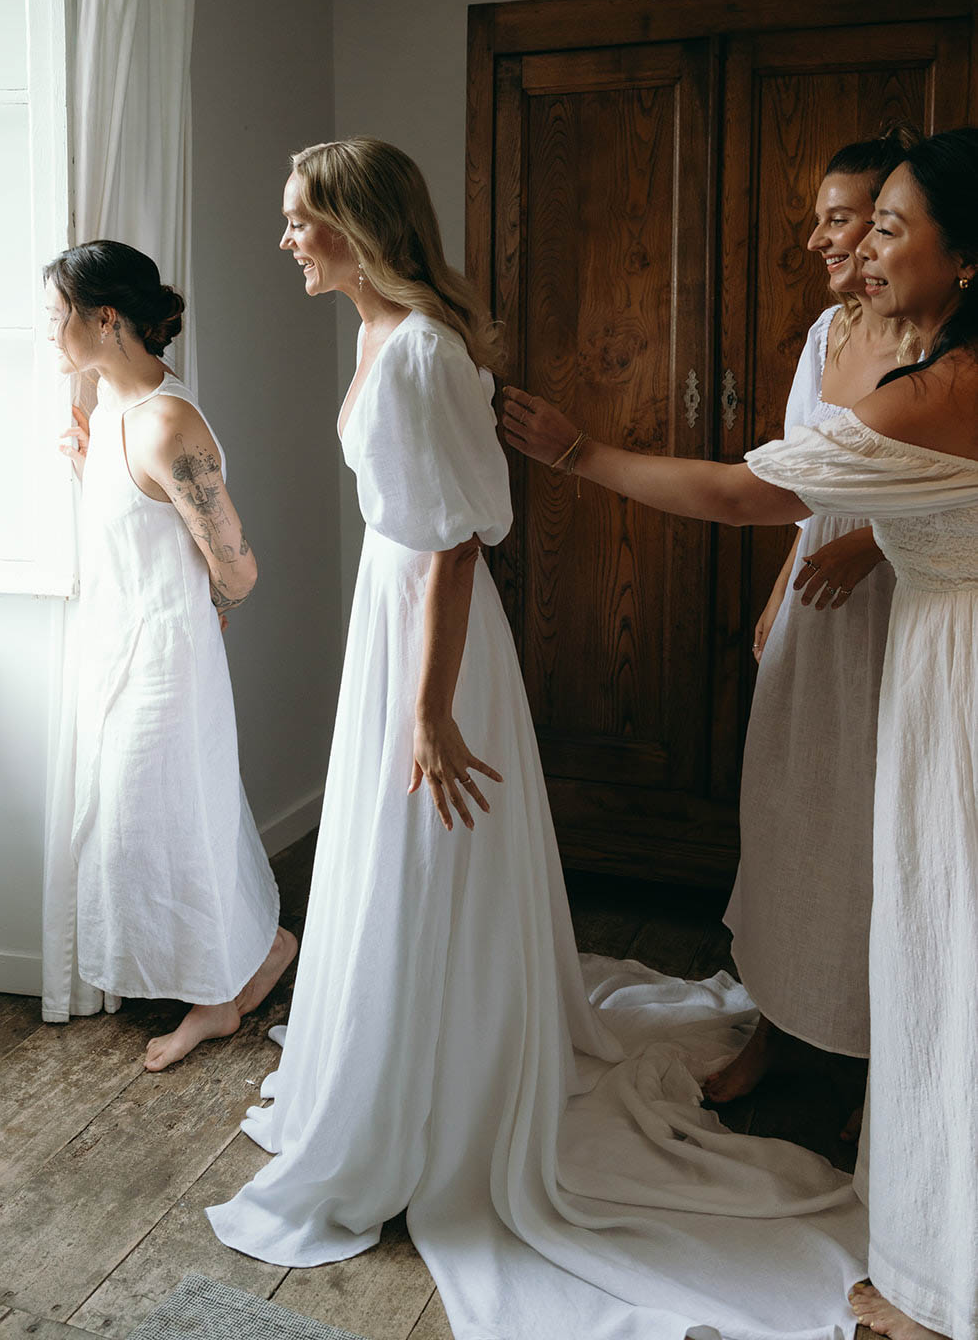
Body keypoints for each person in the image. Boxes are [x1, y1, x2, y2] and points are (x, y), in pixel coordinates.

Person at [209, 138, 867, 1340]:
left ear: (360, 227)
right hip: (392, 623)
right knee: (400, 857)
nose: (287, 240)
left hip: (432, 646)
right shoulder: (377, 335)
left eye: (302, 219)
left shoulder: (417, 350)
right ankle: (394, 1054)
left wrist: (428, 709)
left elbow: (458, 541)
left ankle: (434, 1084)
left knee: (428, 853)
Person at [503, 127, 978, 1340]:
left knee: (949, 951)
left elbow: (744, 491)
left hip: (955, 665)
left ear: (965, 257)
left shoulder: (942, 389)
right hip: (941, 651)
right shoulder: (933, 368)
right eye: (859, 223)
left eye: (888, 225)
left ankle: (945, 1282)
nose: (860, 244)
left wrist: (580, 451)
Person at [45, 241, 296, 1072]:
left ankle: (216, 1000)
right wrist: (92, 473)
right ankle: (259, 953)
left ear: (104, 318)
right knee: (156, 821)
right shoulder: (111, 408)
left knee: (165, 822)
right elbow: (145, 525)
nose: (51, 334)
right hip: (119, 646)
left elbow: (238, 567)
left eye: (58, 316)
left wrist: (211, 611)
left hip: (163, 660)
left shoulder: (167, 421)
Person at [708, 130, 919, 1116]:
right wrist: (774, 594)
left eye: (838, 217)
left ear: (890, 225)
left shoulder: (931, 336)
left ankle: (874, 1055)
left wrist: (868, 542)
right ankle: (775, 1020)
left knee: (871, 828)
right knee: (788, 809)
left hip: (894, 606)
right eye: (823, 217)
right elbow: (794, 487)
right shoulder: (817, 336)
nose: (817, 238)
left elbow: (953, 480)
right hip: (809, 602)